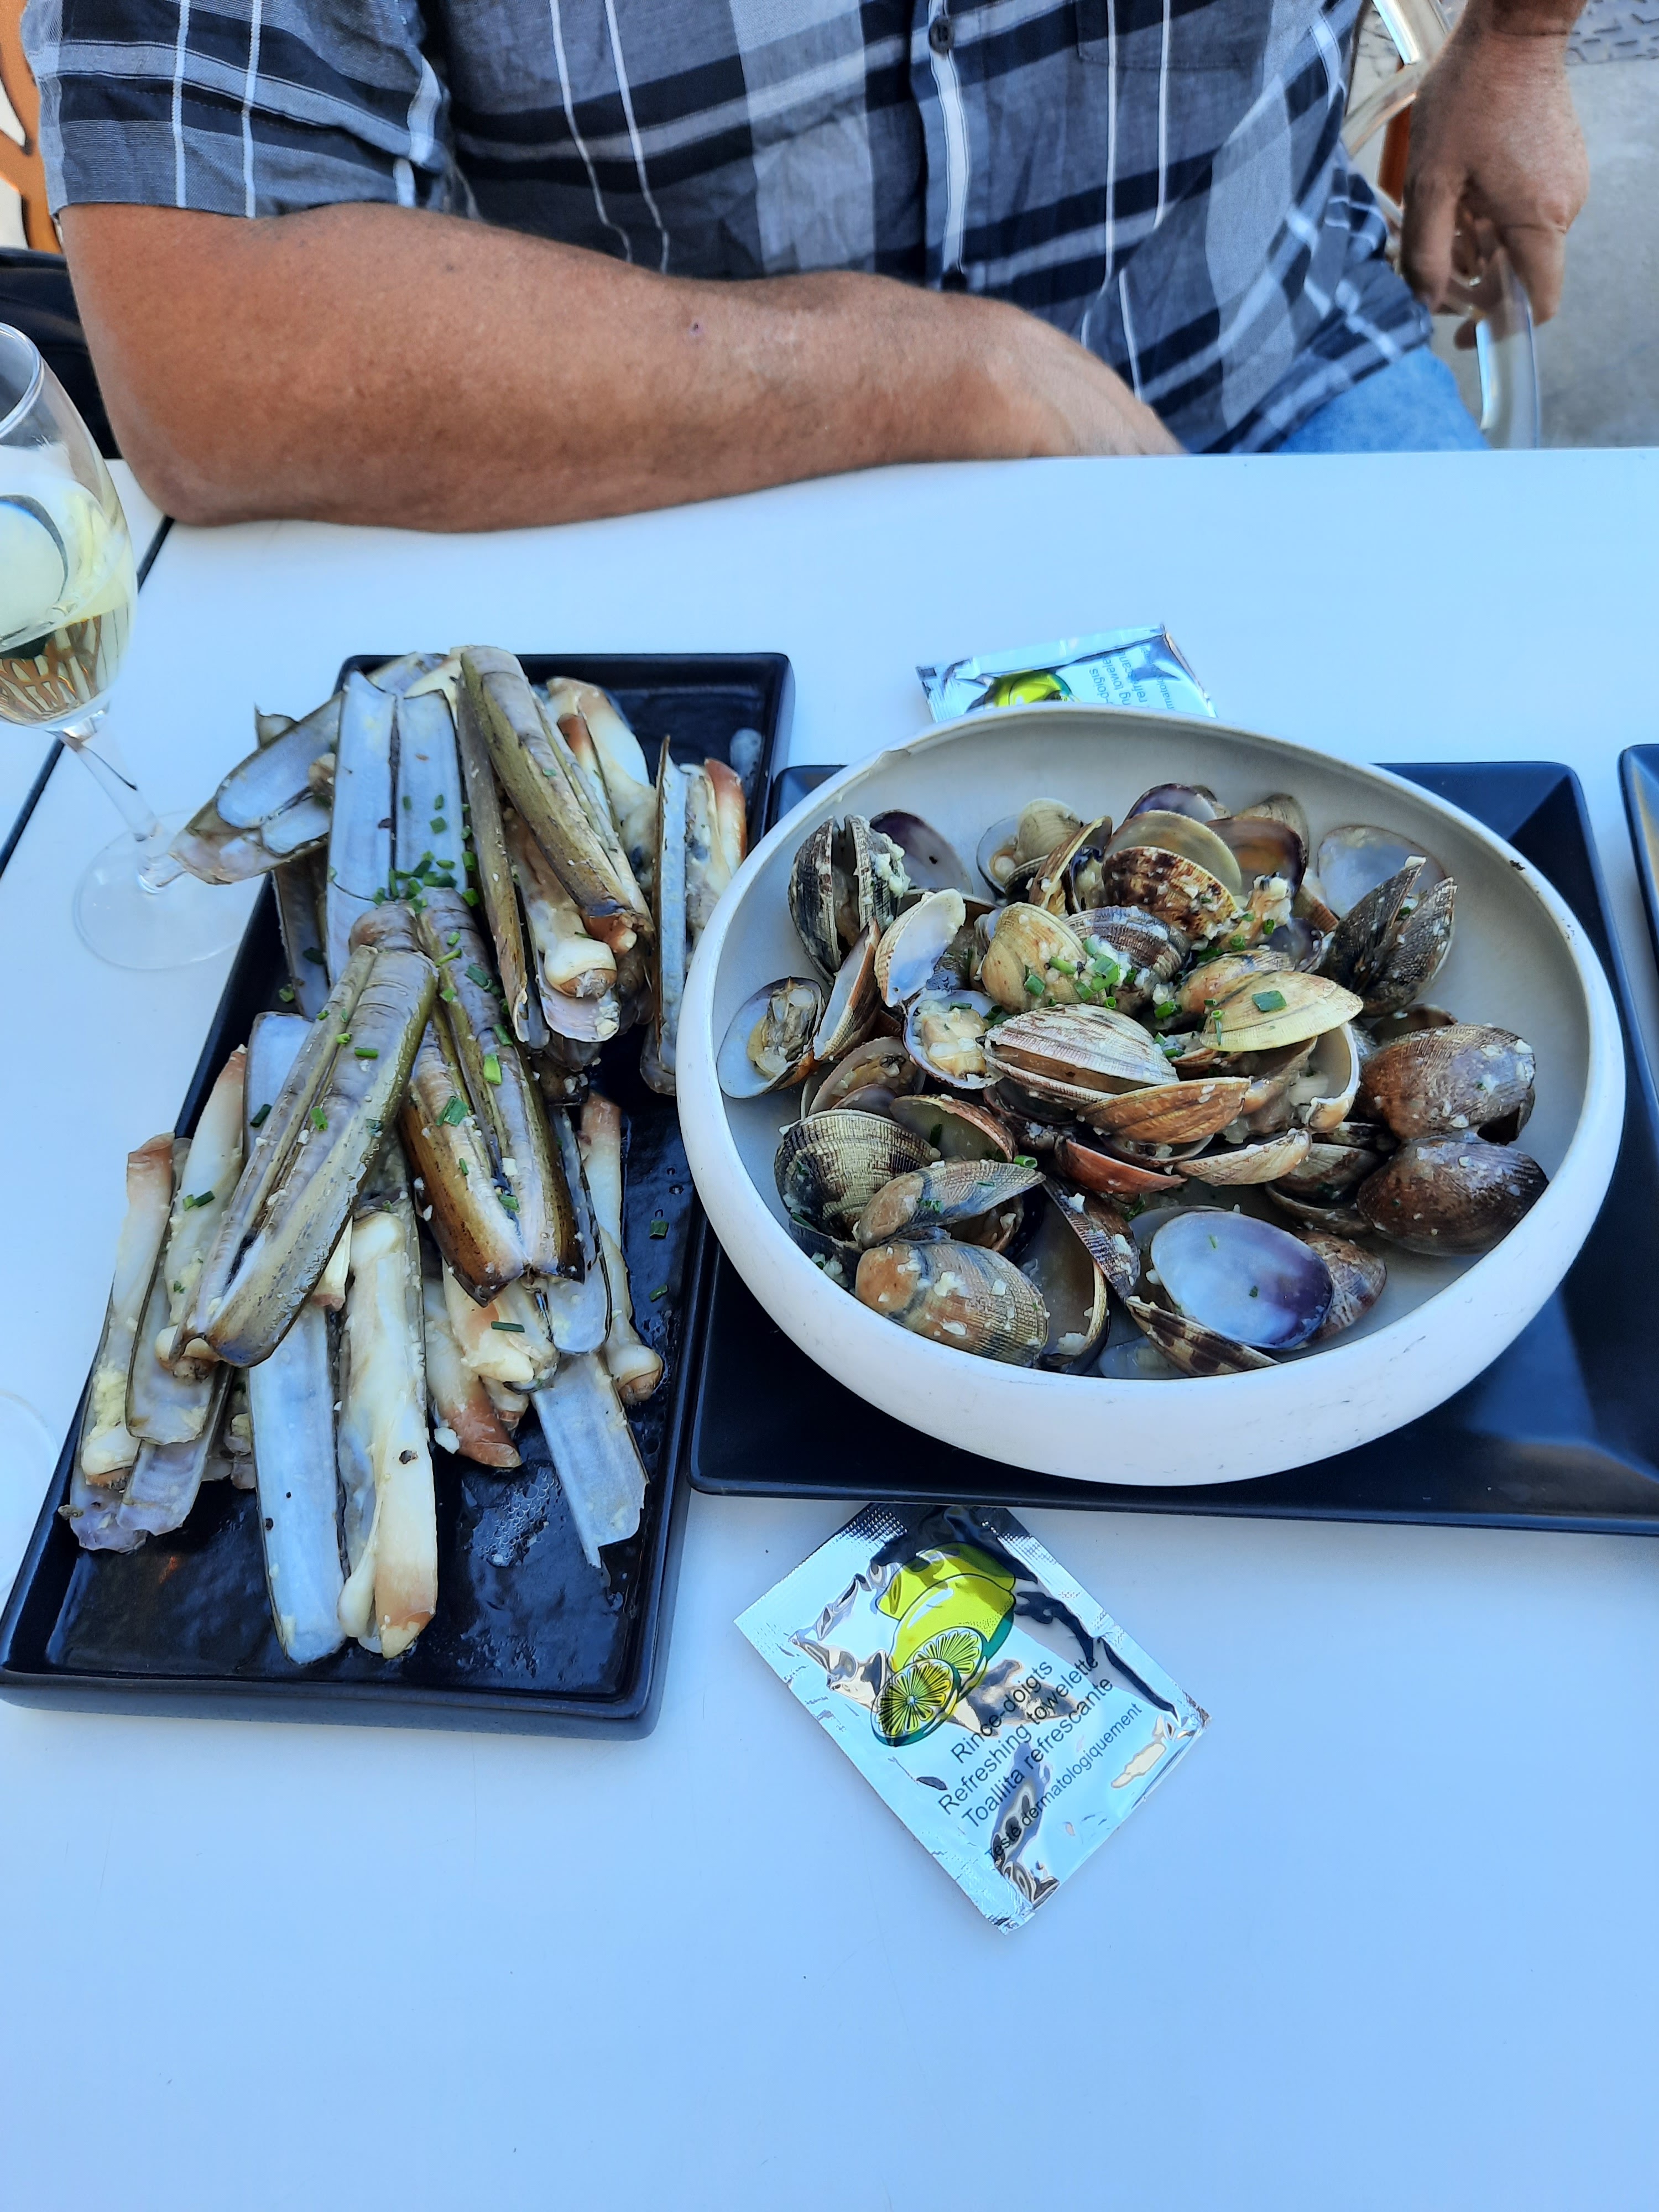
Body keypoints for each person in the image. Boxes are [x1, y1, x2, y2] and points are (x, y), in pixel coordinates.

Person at [22, 0, 1589, 528]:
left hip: (1266, 378)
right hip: (658, 501)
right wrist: (937, 378)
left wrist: (1521, 41)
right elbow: (211, 370)